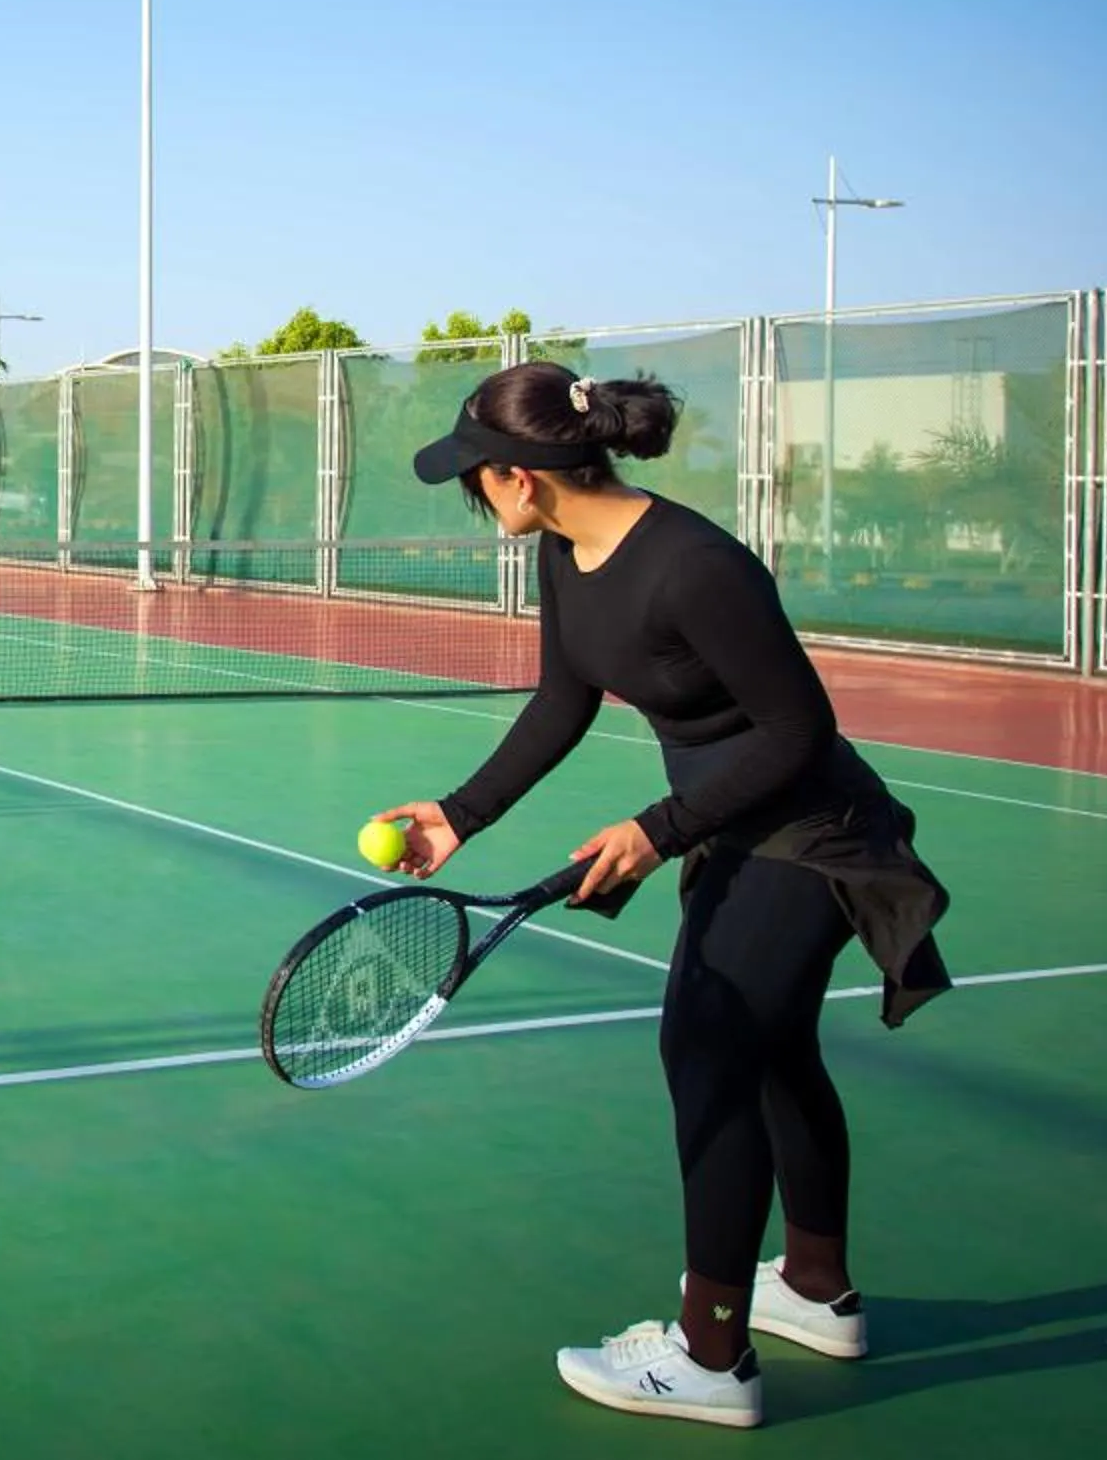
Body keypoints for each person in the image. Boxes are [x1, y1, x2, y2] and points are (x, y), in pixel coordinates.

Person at [377, 361, 950, 1431]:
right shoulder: (565, 551)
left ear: (518, 476)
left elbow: (798, 732)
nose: (470, 498)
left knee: (712, 1054)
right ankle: (817, 1289)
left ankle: (711, 1353)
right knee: (770, 1050)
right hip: (737, 828)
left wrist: (657, 828)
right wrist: (462, 813)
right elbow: (564, 696)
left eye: (472, 479)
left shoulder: (694, 566)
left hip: (818, 836)